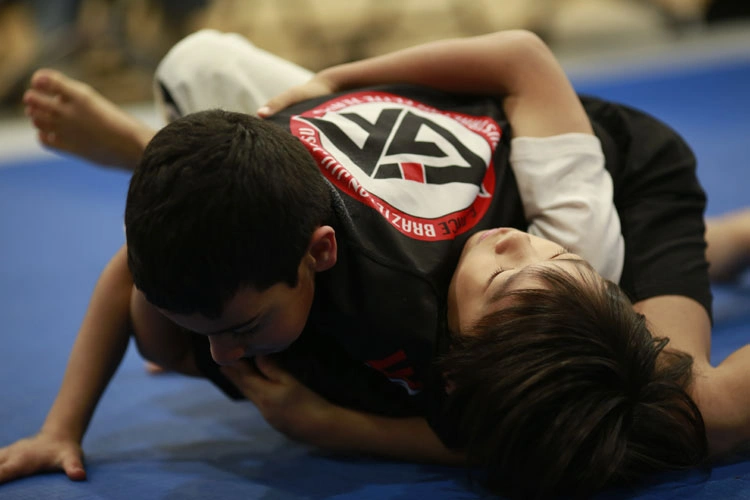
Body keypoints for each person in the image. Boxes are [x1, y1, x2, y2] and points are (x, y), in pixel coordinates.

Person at [4, 29, 750, 498]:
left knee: (678, 410)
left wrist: (341, 428)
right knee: (197, 70)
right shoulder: (545, 247)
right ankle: (159, 160)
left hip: (616, 170)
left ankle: (726, 241)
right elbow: (132, 274)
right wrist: (337, 81)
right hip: (395, 137)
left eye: (241, 326)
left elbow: (517, 432)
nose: (513, 242)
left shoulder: (456, 293)